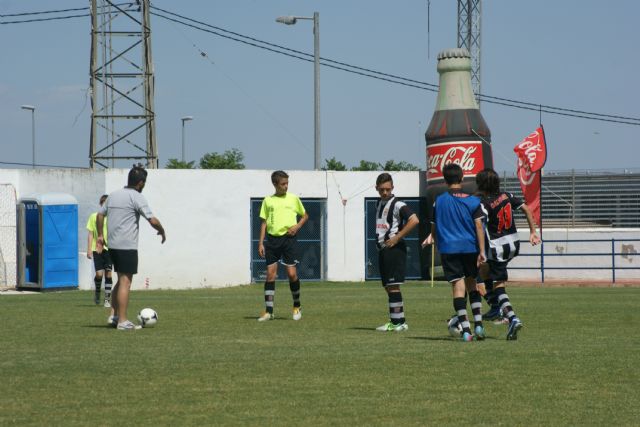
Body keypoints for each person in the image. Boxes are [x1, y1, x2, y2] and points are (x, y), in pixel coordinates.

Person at [96, 164, 166, 331]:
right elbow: (152, 220)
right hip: (126, 246)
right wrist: (162, 230)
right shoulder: (136, 197)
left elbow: (100, 214)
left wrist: (100, 236)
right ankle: (123, 321)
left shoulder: (113, 195)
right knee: (126, 282)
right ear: (141, 183)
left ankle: (114, 316)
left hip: (113, 245)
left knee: (120, 281)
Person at [422, 163, 486, 342]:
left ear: (444, 179)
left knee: (458, 288)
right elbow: (479, 225)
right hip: (470, 247)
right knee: (472, 285)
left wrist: (432, 237)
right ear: (462, 177)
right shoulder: (473, 200)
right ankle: (479, 326)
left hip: (449, 249)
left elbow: (434, 226)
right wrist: (482, 251)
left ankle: (466, 331)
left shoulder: (439, 201)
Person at [475, 168, 541, 340]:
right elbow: (526, 209)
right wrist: (533, 232)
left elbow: (480, 226)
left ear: (481, 185)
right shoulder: (507, 195)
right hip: (513, 243)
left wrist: (481, 250)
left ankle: (511, 317)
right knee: (483, 270)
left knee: (498, 284)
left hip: (497, 247)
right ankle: (496, 307)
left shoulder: (483, 203)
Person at [257, 170, 308, 322]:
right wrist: (261, 243)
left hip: (289, 240)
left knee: (292, 274)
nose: (286, 186)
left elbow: (305, 215)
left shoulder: (293, 198)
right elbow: (264, 222)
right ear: (275, 184)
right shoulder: (268, 201)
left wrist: (297, 227)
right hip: (272, 241)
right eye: (283, 184)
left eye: (287, 183)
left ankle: (297, 306)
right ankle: (269, 311)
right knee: (270, 275)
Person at [373, 173, 419, 332]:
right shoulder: (378, 203)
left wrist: (397, 238)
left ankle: (396, 322)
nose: (385, 192)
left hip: (394, 249)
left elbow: (414, 220)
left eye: (387, 189)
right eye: (381, 190)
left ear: (392, 187)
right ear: (376, 189)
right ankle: (400, 321)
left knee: (393, 286)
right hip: (383, 250)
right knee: (388, 286)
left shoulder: (398, 204)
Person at [86, 194, 113, 308]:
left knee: (108, 272)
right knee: (99, 274)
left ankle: (107, 300)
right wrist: (89, 249)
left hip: (110, 249)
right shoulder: (94, 216)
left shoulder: (112, 217)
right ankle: (97, 291)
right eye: (103, 204)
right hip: (97, 249)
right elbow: (91, 233)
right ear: (101, 204)